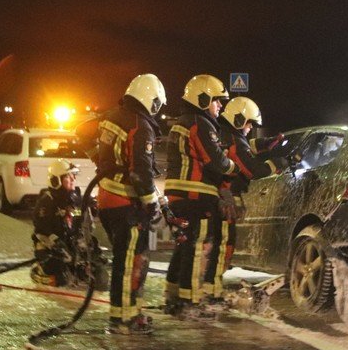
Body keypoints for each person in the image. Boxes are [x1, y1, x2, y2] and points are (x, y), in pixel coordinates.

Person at [95, 73, 167, 334]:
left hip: (106, 199)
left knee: (127, 260)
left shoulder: (111, 116)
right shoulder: (140, 125)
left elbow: (85, 136)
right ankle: (123, 319)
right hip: (126, 203)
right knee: (129, 263)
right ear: (151, 100)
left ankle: (130, 312)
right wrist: (152, 203)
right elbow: (141, 171)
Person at [164, 73, 236, 318]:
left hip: (178, 195)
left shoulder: (181, 122)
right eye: (217, 101)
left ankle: (173, 295)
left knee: (183, 245)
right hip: (196, 195)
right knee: (196, 246)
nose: (220, 106)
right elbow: (216, 160)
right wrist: (232, 167)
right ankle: (190, 301)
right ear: (203, 99)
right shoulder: (200, 123)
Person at [204, 96, 289, 300]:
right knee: (224, 244)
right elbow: (254, 169)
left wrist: (269, 142)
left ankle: (208, 287)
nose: (251, 127)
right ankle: (210, 292)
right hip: (225, 198)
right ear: (239, 120)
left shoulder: (227, 135)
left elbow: (248, 145)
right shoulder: (234, 141)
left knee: (218, 243)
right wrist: (279, 163)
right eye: (249, 123)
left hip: (219, 197)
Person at [30, 160, 85, 286]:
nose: (73, 179)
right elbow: (41, 228)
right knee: (62, 277)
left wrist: (85, 210)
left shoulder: (75, 198)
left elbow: (78, 216)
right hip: (50, 246)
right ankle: (39, 272)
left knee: (94, 272)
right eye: (67, 176)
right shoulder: (47, 201)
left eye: (73, 175)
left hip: (70, 243)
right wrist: (55, 243)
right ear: (56, 180)